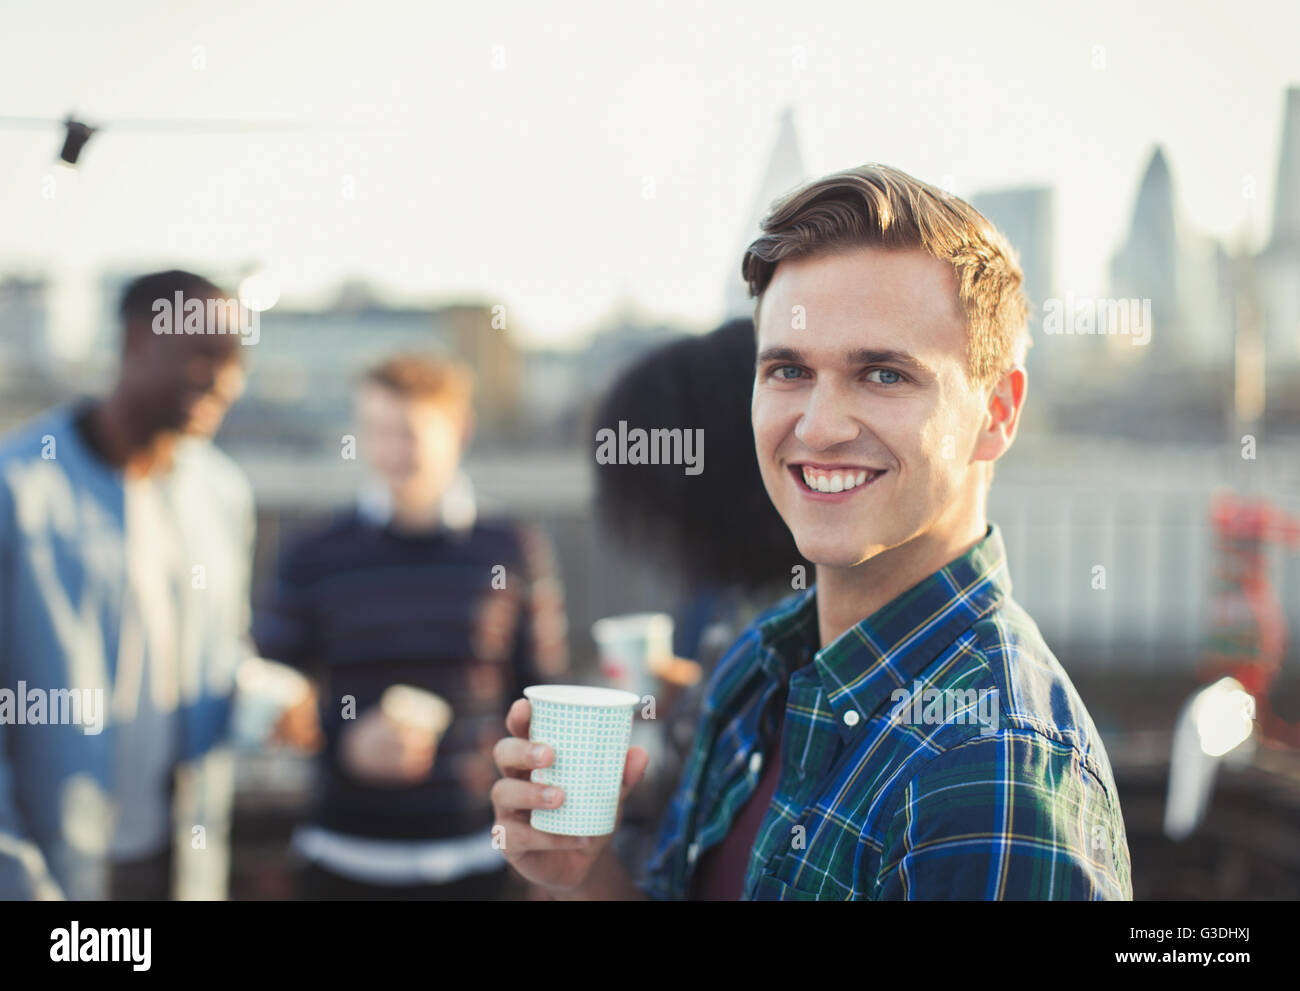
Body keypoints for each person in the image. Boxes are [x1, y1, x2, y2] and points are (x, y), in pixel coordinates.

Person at [490, 163, 1134, 900]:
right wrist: (586, 875)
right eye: (789, 371)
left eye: (884, 374)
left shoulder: (994, 769)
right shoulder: (755, 669)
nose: (819, 427)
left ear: (997, 413)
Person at [256, 353, 568, 899]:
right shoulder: (313, 550)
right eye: (377, 430)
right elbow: (273, 690)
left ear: (460, 431)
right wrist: (343, 743)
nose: (392, 451)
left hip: (480, 860)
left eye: (409, 432)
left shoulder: (512, 547)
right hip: (341, 857)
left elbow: (542, 694)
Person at [0, 270, 254, 899]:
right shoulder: (18, 489)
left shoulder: (222, 493)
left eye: (235, 361)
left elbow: (222, 655)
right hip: (50, 870)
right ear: (136, 344)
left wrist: (267, 699)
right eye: (203, 355)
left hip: (181, 861)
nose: (224, 380)